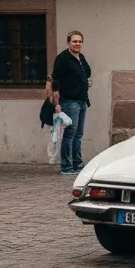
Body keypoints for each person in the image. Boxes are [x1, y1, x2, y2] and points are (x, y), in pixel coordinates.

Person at [47, 30, 92, 175]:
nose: (77, 44)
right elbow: (55, 79)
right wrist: (57, 103)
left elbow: (87, 72)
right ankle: (67, 166)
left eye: (79, 41)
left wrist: (86, 81)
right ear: (68, 43)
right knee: (70, 135)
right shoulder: (63, 58)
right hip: (69, 101)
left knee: (78, 134)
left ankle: (77, 164)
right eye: (74, 41)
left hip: (81, 100)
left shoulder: (81, 57)